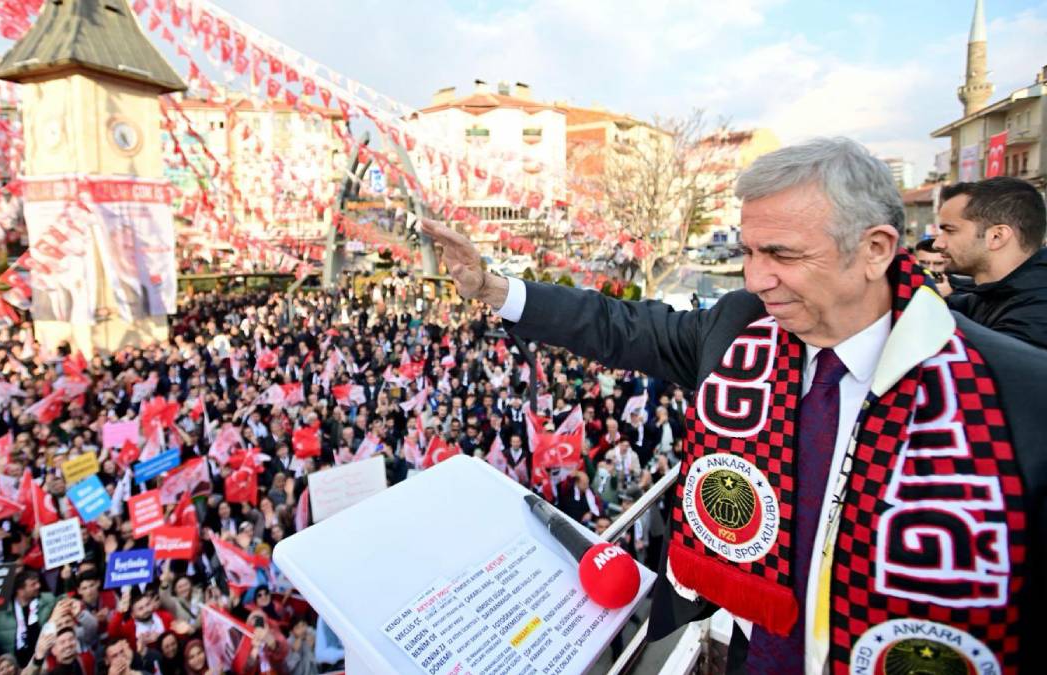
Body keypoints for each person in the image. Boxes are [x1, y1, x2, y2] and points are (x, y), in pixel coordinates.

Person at [424, 136, 1047, 673]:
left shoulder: (1011, 393)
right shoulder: (739, 327)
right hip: (756, 648)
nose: (755, 278)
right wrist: (493, 287)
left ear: (877, 249)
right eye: (749, 251)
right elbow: (620, 326)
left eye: (782, 254)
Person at [934, 176, 1047, 348]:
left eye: (950, 231)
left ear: (996, 236)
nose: (937, 244)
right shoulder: (990, 295)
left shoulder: (1036, 314)